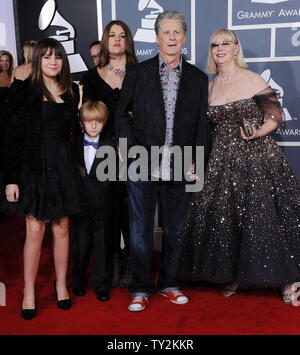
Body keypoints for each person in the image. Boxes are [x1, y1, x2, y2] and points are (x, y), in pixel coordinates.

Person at [173, 29, 300, 304]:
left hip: (257, 158)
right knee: (227, 221)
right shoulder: (208, 87)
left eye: (225, 43)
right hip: (221, 161)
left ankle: (286, 280)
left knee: (265, 220)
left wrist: (257, 132)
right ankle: (234, 274)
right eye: (215, 44)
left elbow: (275, 116)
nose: (219, 48)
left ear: (235, 48)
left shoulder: (252, 79)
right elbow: (203, 130)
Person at [115, 10, 211, 312]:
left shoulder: (197, 78)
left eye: (176, 33)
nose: (171, 38)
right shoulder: (138, 73)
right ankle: (141, 287)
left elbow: (201, 123)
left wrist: (198, 158)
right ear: (156, 38)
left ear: (183, 38)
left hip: (181, 163)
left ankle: (169, 283)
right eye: (165, 33)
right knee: (140, 229)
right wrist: (131, 150)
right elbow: (121, 116)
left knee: (175, 229)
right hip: (143, 163)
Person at [2, 38, 81, 320]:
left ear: (63, 61)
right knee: (34, 231)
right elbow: (12, 137)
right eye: (46, 56)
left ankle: (61, 286)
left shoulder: (71, 91)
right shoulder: (24, 89)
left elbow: (74, 137)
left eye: (57, 57)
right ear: (38, 60)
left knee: (61, 228)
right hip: (33, 168)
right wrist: (11, 179)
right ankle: (29, 291)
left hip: (63, 170)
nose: (52, 61)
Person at [81, 20, 138, 289]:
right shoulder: (92, 77)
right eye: (111, 35)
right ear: (105, 41)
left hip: (136, 152)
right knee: (108, 210)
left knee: (132, 210)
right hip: (103, 152)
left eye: (122, 35)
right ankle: (113, 259)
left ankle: (131, 262)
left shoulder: (140, 73)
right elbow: (89, 115)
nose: (116, 39)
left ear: (128, 40)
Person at [72, 100, 115, 302]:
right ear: (82, 122)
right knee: (81, 245)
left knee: (102, 245)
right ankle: (78, 281)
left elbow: (114, 176)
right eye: (89, 122)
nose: (94, 126)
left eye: (98, 121)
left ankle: (101, 285)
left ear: (104, 122)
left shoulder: (111, 145)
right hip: (80, 204)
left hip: (103, 203)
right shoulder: (75, 144)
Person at [0, 50, 14, 221]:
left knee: (10, 158)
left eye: (6, 60)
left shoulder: (14, 77)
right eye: (1, 61)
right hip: (1, 124)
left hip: (13, 123)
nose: (4, 63)